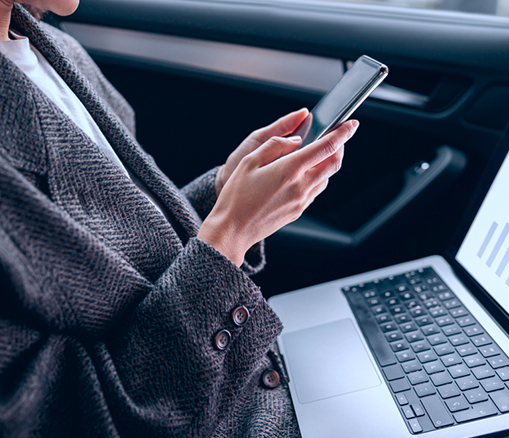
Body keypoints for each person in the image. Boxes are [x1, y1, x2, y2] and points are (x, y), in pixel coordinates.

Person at [0, 0, 358, 436]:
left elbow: (128, 252)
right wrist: (229, 235)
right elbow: (64, 419)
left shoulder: (54, 49)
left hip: (253, 382)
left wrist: (221, 196)